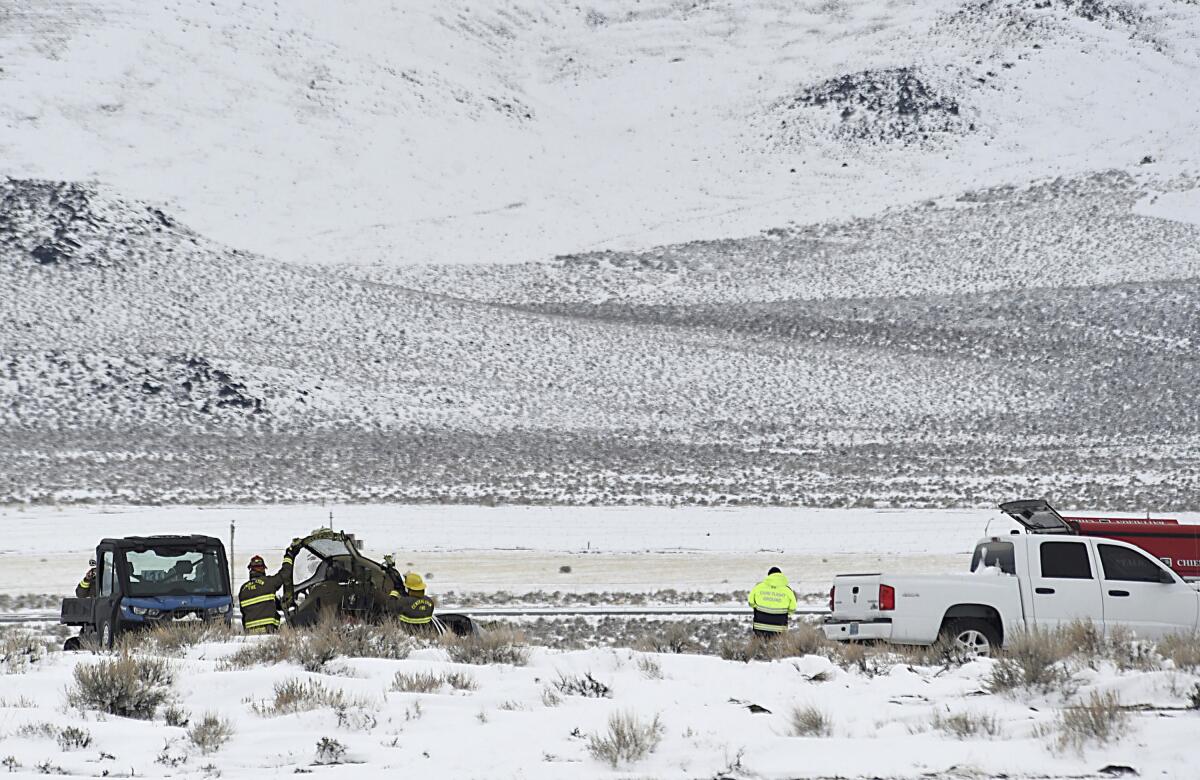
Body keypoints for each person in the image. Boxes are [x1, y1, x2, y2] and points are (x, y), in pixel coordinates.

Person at [238, 544, 298, 635]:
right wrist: (289, 556)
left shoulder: (243, 589)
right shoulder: (269, 583)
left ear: (250, 570)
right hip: (268, 630)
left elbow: (250, 609)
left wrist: (278, 604)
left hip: (249, 633)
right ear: (263, 569)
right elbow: (285, 573)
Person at [748, 566, 797, 638]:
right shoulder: (787, 590)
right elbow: (793, 609)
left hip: (760, 626)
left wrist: (758, 608)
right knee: (777, 647)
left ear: (769, 576)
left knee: (760, 647)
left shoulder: (758, 587)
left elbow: (751, 602)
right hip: (779, 628)